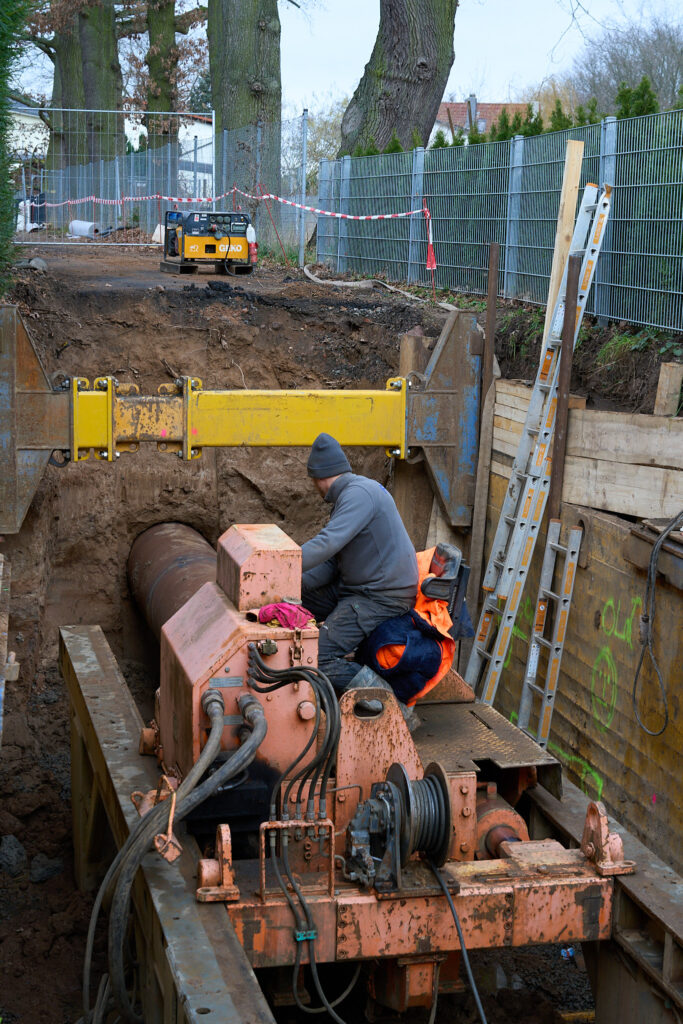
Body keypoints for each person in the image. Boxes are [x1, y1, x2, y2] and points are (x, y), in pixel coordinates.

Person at [301, 433, 418, 695]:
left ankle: (391, 705)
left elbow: (327, 543)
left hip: (380, 597)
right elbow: (332, 562)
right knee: (294, 599)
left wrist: (282, 563)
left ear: (319, 477)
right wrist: (289, 583)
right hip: (356, 587)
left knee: (315, 658)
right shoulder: (352, 495)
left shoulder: (359, 495)